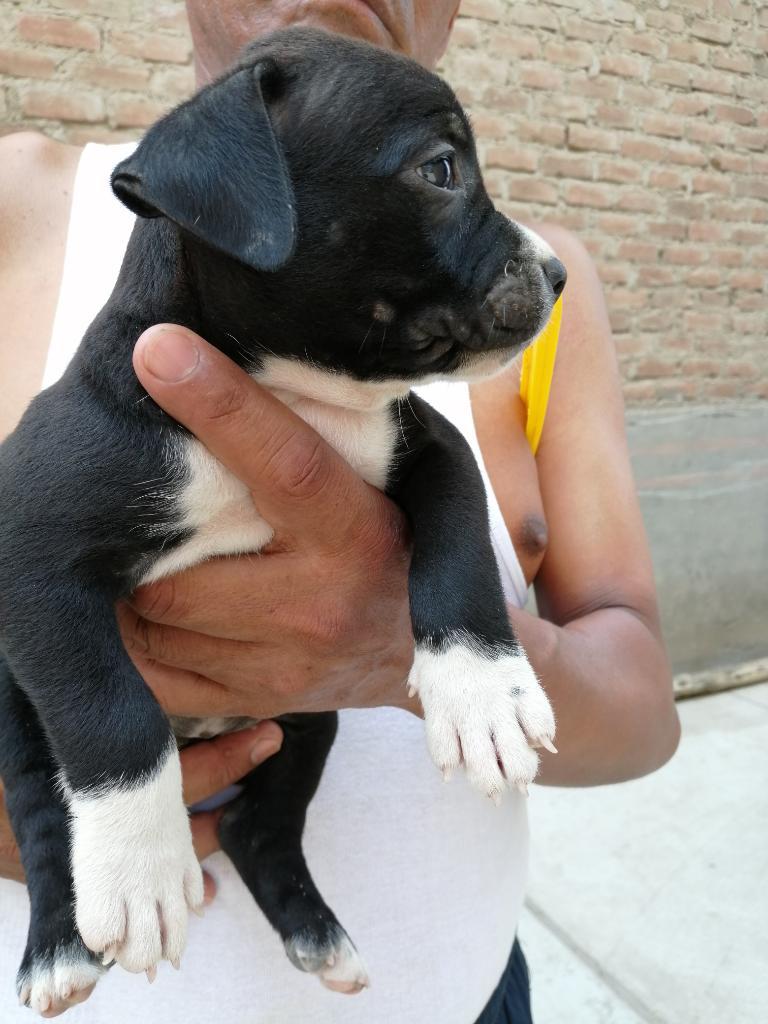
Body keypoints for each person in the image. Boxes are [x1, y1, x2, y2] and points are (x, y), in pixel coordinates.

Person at [0, 1, 680, 1021]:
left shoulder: (526, 299)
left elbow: (645, 713)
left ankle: (285, 878)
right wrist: (90, 789)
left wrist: (416, 643)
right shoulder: (15, 205)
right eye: (439, 172)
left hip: (465, 992)